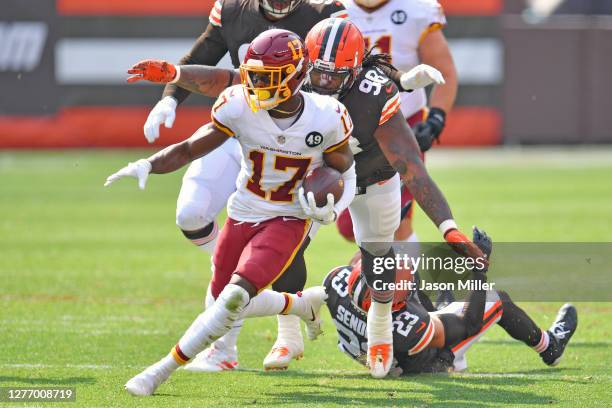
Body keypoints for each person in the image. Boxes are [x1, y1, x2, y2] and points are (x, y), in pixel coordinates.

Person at [128, 18, 483, 378]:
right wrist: (174, 73)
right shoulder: (294, 80)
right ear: (306, 65)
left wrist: (448, 226)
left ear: (356, 71)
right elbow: (229, 79)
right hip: (316, 181)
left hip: (373, 180)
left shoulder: (373, 94)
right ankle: (289, 331)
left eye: (337, 75)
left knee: (376, 250)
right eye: (320, 72)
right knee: (288, 250)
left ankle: (379, 328)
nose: (326, 82)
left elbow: (410, 166)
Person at [106, 29, 356, 396]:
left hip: (288, 217)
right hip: (243, 211)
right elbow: (192, 147)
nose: (254, 85)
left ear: (296, 75)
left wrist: (334, 207)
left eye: (265, 78)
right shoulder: (238, 104)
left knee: (235, 299)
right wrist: (149, 164)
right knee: (221, 298)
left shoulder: (326, 116)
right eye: (252, 75)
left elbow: (345, 171)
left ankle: (159, 371)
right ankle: (303, 305)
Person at [321, 228, 578, 374]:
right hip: (425, 359)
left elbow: (364, 260)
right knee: (496, 299)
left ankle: (445, 320)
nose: (402, 269)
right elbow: (469, 323)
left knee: (423, 281)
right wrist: (479, 268)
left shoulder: (337, 281)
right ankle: (549, 347)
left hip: (372, 346)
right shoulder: (412, 327)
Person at [336, 0, 459, 291]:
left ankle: (408, 294)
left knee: (396, 221)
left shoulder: (416, 9)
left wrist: (436, 119)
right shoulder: (331, 9)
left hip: (400, 126)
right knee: (348, 224)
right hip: (346, 127)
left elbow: (445, 71)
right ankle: (405, 288)